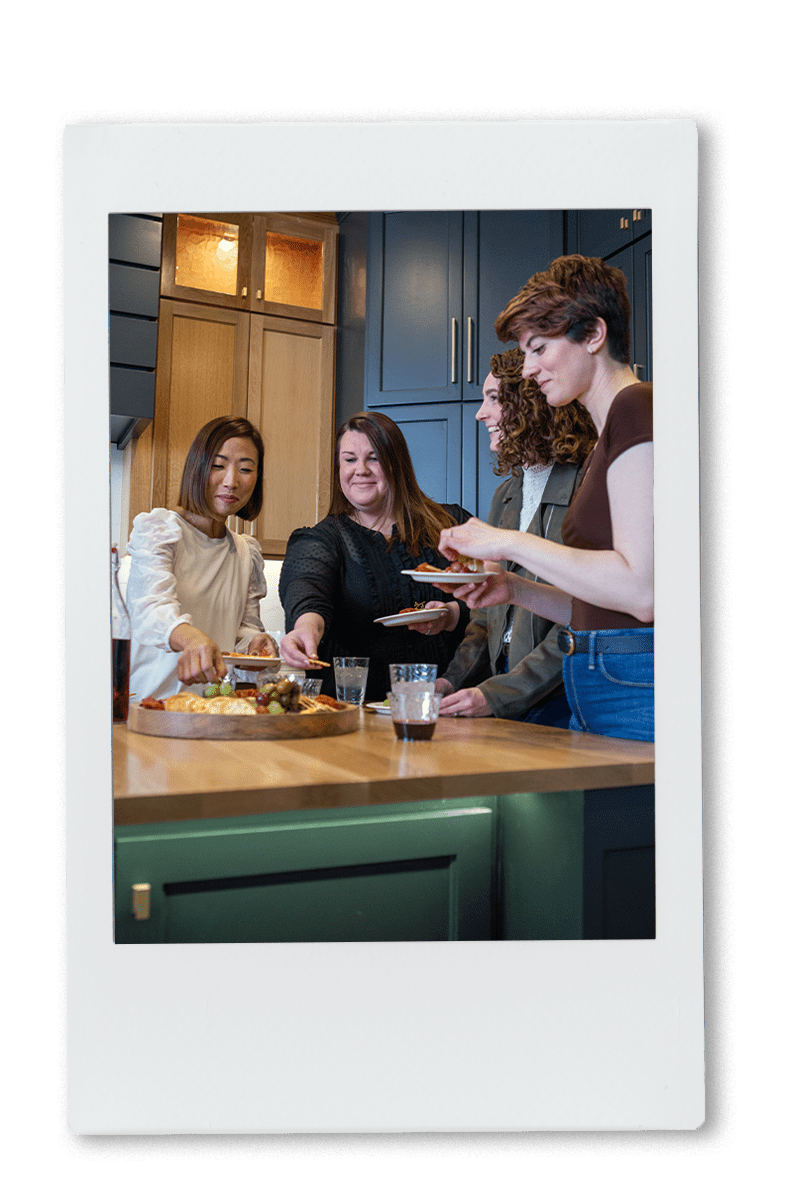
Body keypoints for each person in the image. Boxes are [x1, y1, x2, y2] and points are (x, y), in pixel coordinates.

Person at [435, 255, 654, 742]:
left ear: (594, 335)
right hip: (603, 677)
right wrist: (514, 591)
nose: (529, 369)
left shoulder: (636, 408)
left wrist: (507, 542)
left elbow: (643, 593)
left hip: (632, 681)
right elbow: (604, 604)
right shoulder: (607, 436)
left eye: (538, 348)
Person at [435, 347, 597, 722]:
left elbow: (580, 619)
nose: (481, 413)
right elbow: (483, 614)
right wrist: (450, 682)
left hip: (561, 699)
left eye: (493, 399)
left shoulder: (583, 489)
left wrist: (499, 694)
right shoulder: (506, 495)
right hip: (507, 688)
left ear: (531, 405)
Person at [278, 411, 474, 700]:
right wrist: (305, 628)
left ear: (396, 464)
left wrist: (454, 614)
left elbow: (497, 606)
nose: (361, 470)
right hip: (354, 716)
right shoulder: (322, 539)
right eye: (349, 459)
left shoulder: (451, 524)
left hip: (449, 705)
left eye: (373, 458)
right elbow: (307, 588)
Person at [126, 415, 278, 700]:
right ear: (196, 468)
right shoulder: (161, 530)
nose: (231, 481)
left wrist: (254, 644)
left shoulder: (246, 552)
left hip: (211, 710)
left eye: (245, 469)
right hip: (150, 708)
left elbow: (241, 631)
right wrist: (191, 637)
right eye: (218, 466)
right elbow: (151, 610)